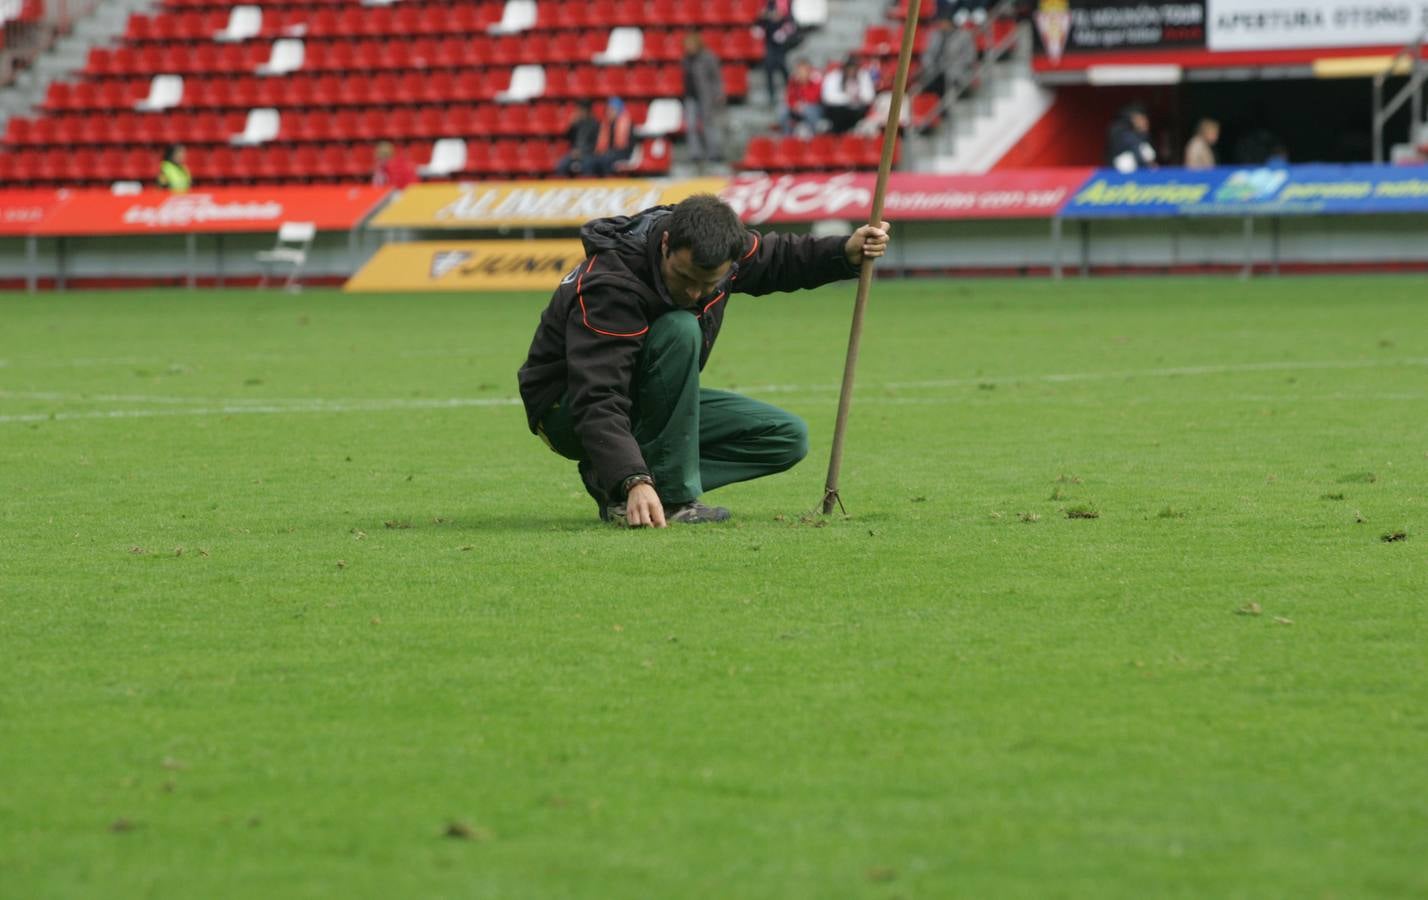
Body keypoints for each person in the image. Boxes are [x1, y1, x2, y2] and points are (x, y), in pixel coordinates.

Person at [517, 195, 891, 528]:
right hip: (566, 410)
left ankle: (616, 482)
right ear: (666, 244)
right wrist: (632, 477)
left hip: (637, 398)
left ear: (731, 264)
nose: (694, 292)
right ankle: (665, 495)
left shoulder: (726, 249)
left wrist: (845, 252)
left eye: (709, 283)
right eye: (684, 277)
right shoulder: (613, 286)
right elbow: (598, 396)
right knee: (680, 327)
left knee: (784, 437)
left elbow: (779, 258)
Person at [682, 32, 727, 169]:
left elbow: (716, 77)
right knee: (691, 125)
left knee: (709, 124)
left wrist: (718, 93)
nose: (689, 47)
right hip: (690, 96)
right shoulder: (685, 59)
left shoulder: (708, 57)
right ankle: (695, 154)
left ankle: (714, 152)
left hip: (705, 96)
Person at [756, 0, 798, 107]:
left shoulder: (784, 3)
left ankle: (792, 92)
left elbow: (790, 23)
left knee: (783, 67)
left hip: (781, 45)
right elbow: (761, 22)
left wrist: (784, 32)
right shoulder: (767, 4)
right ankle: (771, 96)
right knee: (769, 68)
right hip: (770, 43)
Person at [820, 59, 875, 134]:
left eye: (853, 68)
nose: (851, 71)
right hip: (838, 111)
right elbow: (828, 97)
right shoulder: (834, 76)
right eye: (849, 68)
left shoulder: (863, 75)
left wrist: (858, 98)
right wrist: (848, 98)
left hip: (858, 111)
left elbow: (869, 97)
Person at [589, 98, 634, 176]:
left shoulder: (627, 125)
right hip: (608, 153)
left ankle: (609, 183)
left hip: (622, 153)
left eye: (612, 109)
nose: (610, 112)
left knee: (605, 160)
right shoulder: (606, 124)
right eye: (609, 109)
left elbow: (627, 146)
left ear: (619, 110)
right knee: (591, 160)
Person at [554, 100, 601, 177]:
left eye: (580, 110)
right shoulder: (577, 123)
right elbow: (567, 138)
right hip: (574, 153)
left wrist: (582, 152)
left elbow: (596, 144)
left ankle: (587, 187)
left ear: (586, 111)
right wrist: (571, 125)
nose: (578, 112)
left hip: (589, 154)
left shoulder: (595, 124)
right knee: (562, 165)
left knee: (588, 165)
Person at [1105, 104, 1156, 172]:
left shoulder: (1142, 135)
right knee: (1127, 160)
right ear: (1133, 119)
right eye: (1141, 119)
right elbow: (1136, 150)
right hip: (1118, 172)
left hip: (1139, 172)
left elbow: (1150, 160)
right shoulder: (1121, 131)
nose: (1145, 122)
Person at [782, 58, 823, 135]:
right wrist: (794, 105)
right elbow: (789, 97)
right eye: (799, 70)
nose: (800, 73)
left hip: (814, 107)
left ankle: (813, 136)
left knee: (809, 111)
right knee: (783, 111)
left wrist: (804, 83)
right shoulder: (793, 80)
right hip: (797, 107)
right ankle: (787, 138)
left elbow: (815, 97)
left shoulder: (816, 78)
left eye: (803, 70)